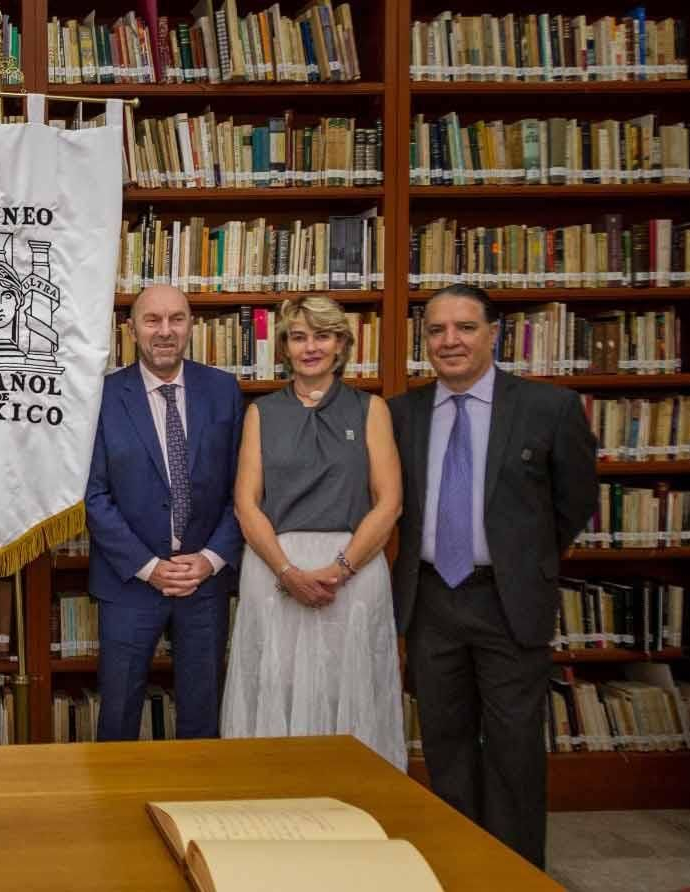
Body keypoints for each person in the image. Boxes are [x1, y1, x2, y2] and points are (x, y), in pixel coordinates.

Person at [389, 283, 598, 866]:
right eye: (436, 330)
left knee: (513, 749)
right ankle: (460, 862)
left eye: (464, 328)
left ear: (493, 334)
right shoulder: (401, 413)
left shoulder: (548, 407)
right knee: (445, 743)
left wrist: (521, 559)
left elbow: (574, 502)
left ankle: (512, 871)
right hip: (431, 600)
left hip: (507, 601)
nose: (449, 341)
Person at [221, 295, 405, 768]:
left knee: (351, 685)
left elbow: (389, 502)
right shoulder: (261, 413)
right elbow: (246, 503)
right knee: (275, 683)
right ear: (284, 347)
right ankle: (276, 801)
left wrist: (339, 570)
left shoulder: (371, 409)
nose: (310, 347)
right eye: (298, 337)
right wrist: (287, 572)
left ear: (342, 343)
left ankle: (356, 800)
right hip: (274, 568)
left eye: (321, 336)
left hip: (354, 569)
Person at [85, 284, 243, 741]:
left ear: (192, 325)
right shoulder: (103, 397)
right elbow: (93, 496)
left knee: (202, 714)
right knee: (118, 715)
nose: (165, 331)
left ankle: (198, 812)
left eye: (177, 319)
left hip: (204, 582)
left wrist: (212, 558)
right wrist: (150, 568)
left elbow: (245, 489)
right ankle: (113, 809)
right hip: (130, 583)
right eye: (152, 320)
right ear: (131, 329)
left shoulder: (223, 391)